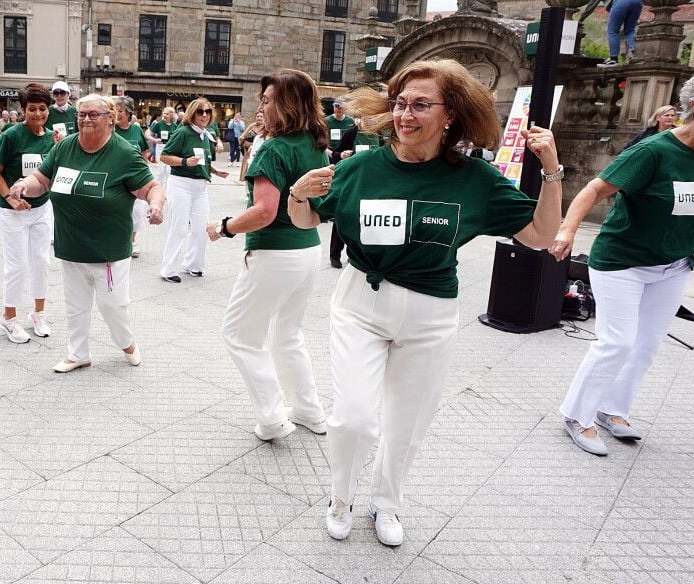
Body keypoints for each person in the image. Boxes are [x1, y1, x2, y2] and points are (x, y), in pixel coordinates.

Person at [286, 59, 563, 546]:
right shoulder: (357, 168)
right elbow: (307, 222)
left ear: (451, 114)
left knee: (408, 422)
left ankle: (386, 503)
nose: (404, 115)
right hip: (360, 304)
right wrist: (297, 195)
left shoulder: (475, 178)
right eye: (399, 103)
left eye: (420, 104)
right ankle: (340, 496)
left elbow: (540, 236)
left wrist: (553, 172)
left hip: (430, 313)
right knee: (352, 416)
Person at [550, 64, 694, 456]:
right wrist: (567, 231)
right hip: (623, 262)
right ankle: (576, 414)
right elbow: (593, 189)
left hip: (675, 264)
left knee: (646, 345)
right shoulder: (653, 150)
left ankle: (612, 410)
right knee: (617, 342)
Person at [207, 68, 330, 445]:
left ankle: (272, 415)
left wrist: (224, 227)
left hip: (275, 250)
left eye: (268, 100)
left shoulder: (276, 147)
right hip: (307, 247)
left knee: (240, 334)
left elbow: (264, 210)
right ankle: (309, 409)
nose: (262, 106)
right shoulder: (313, 142)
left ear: (288, 104)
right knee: (288, 334)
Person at [8, 94, 165, 373]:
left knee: (113, 306)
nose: (86, 119)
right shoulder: (64, 147)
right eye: (81, 114)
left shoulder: (124, 153)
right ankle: (78, 353)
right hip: (72, 246)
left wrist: (155, 205)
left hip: (108, 251)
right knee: (76, 306)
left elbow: (151, 187)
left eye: (93, 114)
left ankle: (127, 343)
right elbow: (42, 180)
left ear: (110, 119)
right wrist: (23, 184)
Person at [0, 83, 56, 342]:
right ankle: (8, 318)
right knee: (16, 266)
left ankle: (38, 313)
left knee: (41, 261)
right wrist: (9, 197)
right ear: (22, 109)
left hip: (42, 208)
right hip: (13, 211)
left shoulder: (52, 137)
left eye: (42, 108)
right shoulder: (11, 135)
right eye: (32, 109)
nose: (38, 114)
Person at [159, 97, 229, 283]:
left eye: (207, 111)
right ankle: (167, 269)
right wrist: (183, 162)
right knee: (179, 227)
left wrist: (214, 170)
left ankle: (193, 265)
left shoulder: (206, 133)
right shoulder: (183, 132)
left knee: (200, 228)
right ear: (192, 113)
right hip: (181, 184)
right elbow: (165, 156)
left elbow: (201, 160)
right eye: (200, 111)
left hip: (200, 187)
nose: (204, 115)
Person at [326, 95, 389, 269]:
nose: (369, 121)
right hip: (352, 180)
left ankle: (355, 254)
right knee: (342, 216)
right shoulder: (352, 132)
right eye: (367, 117)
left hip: (371, 182)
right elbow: (337, 154)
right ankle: (334, 255)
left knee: (362, 220)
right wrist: (342, 155)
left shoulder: (378, 135)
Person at [113, 96, 153, 258]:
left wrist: (144, 171)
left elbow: (144, 151)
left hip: (135, 177)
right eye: (114, 110)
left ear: (128, 113)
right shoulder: (110, 129)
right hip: (115, 176)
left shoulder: (136, 129)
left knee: (136, 211)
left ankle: (132, 241)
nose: (117, 114)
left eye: (120, 111)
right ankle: (116, 240)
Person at [580, 0, 642, 67]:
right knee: (630, 30)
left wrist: (580, 19)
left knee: (612, 31)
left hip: (621, 0)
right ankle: (638, 55)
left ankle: (613, 60)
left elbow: (592, 5)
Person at [146, 106, 179, 186]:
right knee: (160, 171)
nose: (164, 115)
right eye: (164, 113)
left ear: (171, 115)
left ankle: (168, 192)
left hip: (170, 149)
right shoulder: (159, 124)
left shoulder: (175, 126)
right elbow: (147, 134)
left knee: (169, 171)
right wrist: (155, 140)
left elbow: (177, 138)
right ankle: (159, 191)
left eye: (167, 114)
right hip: (160, 148)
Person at [238, 109, 267, 181]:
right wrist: (242, 140)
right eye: (257, 116)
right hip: (248, 149)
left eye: (261, 116)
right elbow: (242, 136)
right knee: (247, 160)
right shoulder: (252, 126)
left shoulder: (266, 127)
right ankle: (245, 177)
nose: (259, 118)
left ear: (264, 118)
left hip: (259, 150)